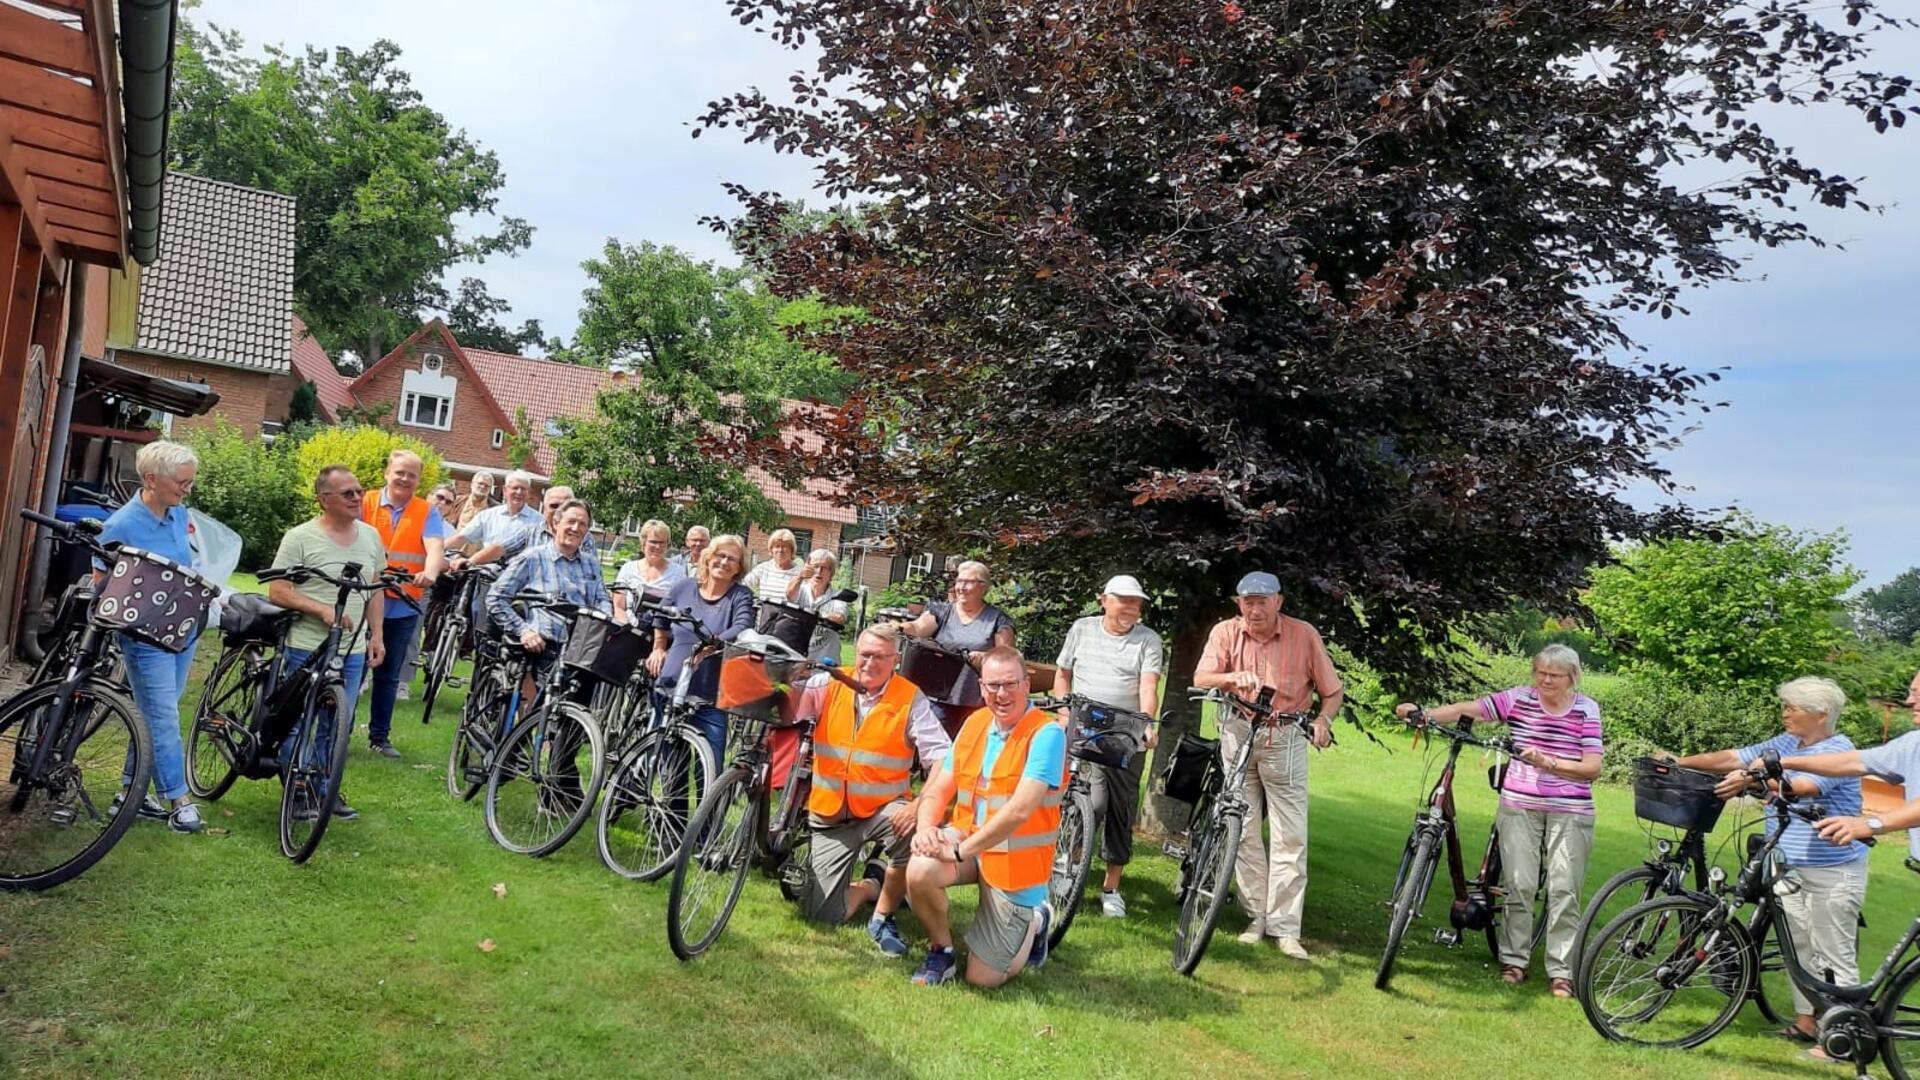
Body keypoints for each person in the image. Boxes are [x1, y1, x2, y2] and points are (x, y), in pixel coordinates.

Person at [1392, 644, 1602, 996]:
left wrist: (1549, 763)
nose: (1545, 680)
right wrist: (1424, 714)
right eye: (1540, 672)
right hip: (1519, 804)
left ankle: (1561, 970)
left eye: (1554, 675)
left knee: (1564, 889)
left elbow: (1593, 768)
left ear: (1572, 678)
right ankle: (1514, 961)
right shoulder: (1519, 699)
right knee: (1519, 884)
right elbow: (1470, 709)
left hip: (1571, 810)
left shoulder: (1585, 708)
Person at [1675, 677, 1866, 1055]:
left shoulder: (1838, 749)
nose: (1785, 713)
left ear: (1821, 713)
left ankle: (1844, 1038)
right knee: (1797, 944)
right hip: (1788, 864)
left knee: (1832, 950)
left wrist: (1752, 779)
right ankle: (1806, 1022)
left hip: (1832, 868)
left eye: (1793, 707)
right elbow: (1734, 757)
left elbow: (1804, 786)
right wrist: (1678, 762)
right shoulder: (1786, 743)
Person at [1192, 571, 1342, 960]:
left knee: (1289, 833)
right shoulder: (1226, 631)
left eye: (1262, 601)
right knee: (1240, 830)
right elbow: (1201, 676)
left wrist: (1323, 721)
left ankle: (1286, 929)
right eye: (1247, 602)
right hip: (1238, 732)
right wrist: (1229, 678)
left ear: (1279, 602)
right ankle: (1255, 918)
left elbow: (1332, 691)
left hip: (1286, 736)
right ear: (1238, 604)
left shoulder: (1303, 634)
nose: (1254, 609)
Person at [905, 647, 1065, 987]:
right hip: (967, 841)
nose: (1001, 694)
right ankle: (942, 951)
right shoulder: (975, 723)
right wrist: (925, 829)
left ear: (1027, 684)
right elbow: (938, 789)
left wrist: (960, 852)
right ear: (981, 687)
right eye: (993, 686)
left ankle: (1036, 921)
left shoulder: (1047, 734)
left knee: (984, 979)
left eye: (1010, 684)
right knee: (919, 868)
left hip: (1014, 863)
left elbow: (1020, 810)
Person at [792, 625, 952, 956]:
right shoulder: (829, 682)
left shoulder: (909, 697)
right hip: (831, 814)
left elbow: (944, 761)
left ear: (895, 660)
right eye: (864, 654)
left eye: (880, 657)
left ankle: (883, 913)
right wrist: (789, 679)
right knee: (821, 915)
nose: (869, 663)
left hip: (884, 810)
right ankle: (871, 884)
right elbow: (788, 707)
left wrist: (919, 805)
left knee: (916, 831)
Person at [96, 440, 207, 834]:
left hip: (181, 630)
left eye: (190, 482)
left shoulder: (178, 514)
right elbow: (101, 580)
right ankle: (179, 800)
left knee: (153, 714)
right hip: (145, 637)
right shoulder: (123, 524)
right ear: (151, 479)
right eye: (181, 482)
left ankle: (132, 792)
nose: (186, 489)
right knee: (163, 716)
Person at [268, 465, 389, 822]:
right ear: (324, 500)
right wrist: (320, 609)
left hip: (351, 650)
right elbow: (277, 591)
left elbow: (375, 588)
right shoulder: (300, 538)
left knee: (337, 722)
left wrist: (376, 634)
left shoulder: (370, 537)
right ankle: (298, 787)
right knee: (298, 721)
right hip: (306, 646)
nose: (357, 498)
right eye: (347, 493)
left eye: (358, 491)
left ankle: (324, 786)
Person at [1053, 574, 1163, 918]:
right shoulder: (1082, 629)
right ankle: (1066, 868)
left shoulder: (1148, 640)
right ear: (1104, 600)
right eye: (1124, 600)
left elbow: (1148, 687)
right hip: (1085, 726)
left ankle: (1111, 888)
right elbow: (1062, 674)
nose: (1132, 607)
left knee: (1121, 809)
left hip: (1126, 733)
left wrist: (1145, 723)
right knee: (1089, 802)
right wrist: (1062, 710)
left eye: (1137, 602)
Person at [359, 450, 447, 758]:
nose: (405, 479)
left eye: (412, 475)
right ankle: (335, 729)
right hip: (363, 598)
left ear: (419, 480)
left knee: (388, 672)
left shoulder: (426, 511)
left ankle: (379, 737)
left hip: (403, 602)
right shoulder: (365, 501)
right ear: (387, 473)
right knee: (350, 667)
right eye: (400, 472)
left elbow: (435, 546)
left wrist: (431, 572)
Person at [485, 500, 612, 701]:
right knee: (542, 706)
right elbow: (495, 598)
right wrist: (524, 631)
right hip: (542, 645)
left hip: (579, 648)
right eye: (571, 521)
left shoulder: (591, 564)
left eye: (582, 524)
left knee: (582, 705)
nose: (575, 528)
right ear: (556, 523)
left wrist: (606, 620)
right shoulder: (533, 557)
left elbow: (601, 598)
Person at [646, 533, 755, 767]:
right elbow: (660, 616)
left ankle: (708, 805)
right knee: (672, 767)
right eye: (720, 555)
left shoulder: (740, 595)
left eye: (732, 559)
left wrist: (713, 644)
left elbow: (742, 625)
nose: (724, 562)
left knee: (710, 768)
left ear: (739, 568)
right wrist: (658, 647)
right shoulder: (684, 587)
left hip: (711, 693)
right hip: (672, 684)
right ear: (708, 558)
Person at [899, 560, 1016, 731]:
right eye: (959, 581)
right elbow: (918, 627)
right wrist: (899, 627)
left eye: (968, 582)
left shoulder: (998, 620)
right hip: (938, 697)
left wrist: (984, 658)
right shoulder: (942, 611)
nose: (961, 587)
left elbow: (1007, 657)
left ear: (983, 587)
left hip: (977, 701)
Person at [448, 470, 542, 568]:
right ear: (505, 490)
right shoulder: (488, 515)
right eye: (515, 488)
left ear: (529, 493)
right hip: (486, 572)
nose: (519, 492)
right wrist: (437, 549)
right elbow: (462, 537)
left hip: (520, 574)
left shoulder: (539, 521)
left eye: (523, 489)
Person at [612, 519, 685, 625]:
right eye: (653, 542)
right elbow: (618, 607)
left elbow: (680, 608)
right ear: (643, 542)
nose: (658, 546)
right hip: (627, 629)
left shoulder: (678, 573)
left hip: (660, 632)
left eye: (662, 542)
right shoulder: (628, 569)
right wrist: (626, 626)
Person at [786, 547, 850, 662]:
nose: (819, 571)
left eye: (824, 568)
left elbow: (840, 617)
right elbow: (789, 595)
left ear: (831, 573)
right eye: (815, 566)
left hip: (826, 661)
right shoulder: (800, 590)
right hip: (799, 659)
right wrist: (800, 576)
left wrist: (815, 617)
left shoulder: (837, 596)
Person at [536, 484, 599, 562]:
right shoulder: (529, 533)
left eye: (564, 506)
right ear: (544, 509)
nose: (559, 510)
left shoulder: (585, 537)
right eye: (554, 506)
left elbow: (589, 568)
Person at [742, 528, 804, 603]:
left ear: (792, 550)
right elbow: (744, 586)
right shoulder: (763, 568)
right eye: (777, 546)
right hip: (765, 612)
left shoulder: (800, 573)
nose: (780, 550)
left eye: (784, 546)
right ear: (771, 549)